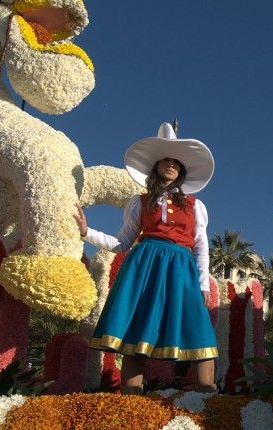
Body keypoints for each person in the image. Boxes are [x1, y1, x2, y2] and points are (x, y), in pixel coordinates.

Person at [75, 122, 218, 394]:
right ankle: (131, 402)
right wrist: (86, 232)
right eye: (166, 159)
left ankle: (207, 400)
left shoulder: (195, 205)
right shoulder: (139, 202)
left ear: (182, 170)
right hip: (144, 266)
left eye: (176, 161)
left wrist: (202, 284)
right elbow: (121, 242)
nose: (171, 164)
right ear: (156, 166)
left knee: (197, 325)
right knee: (139, 325)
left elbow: (201, 246)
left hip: (181, 267)